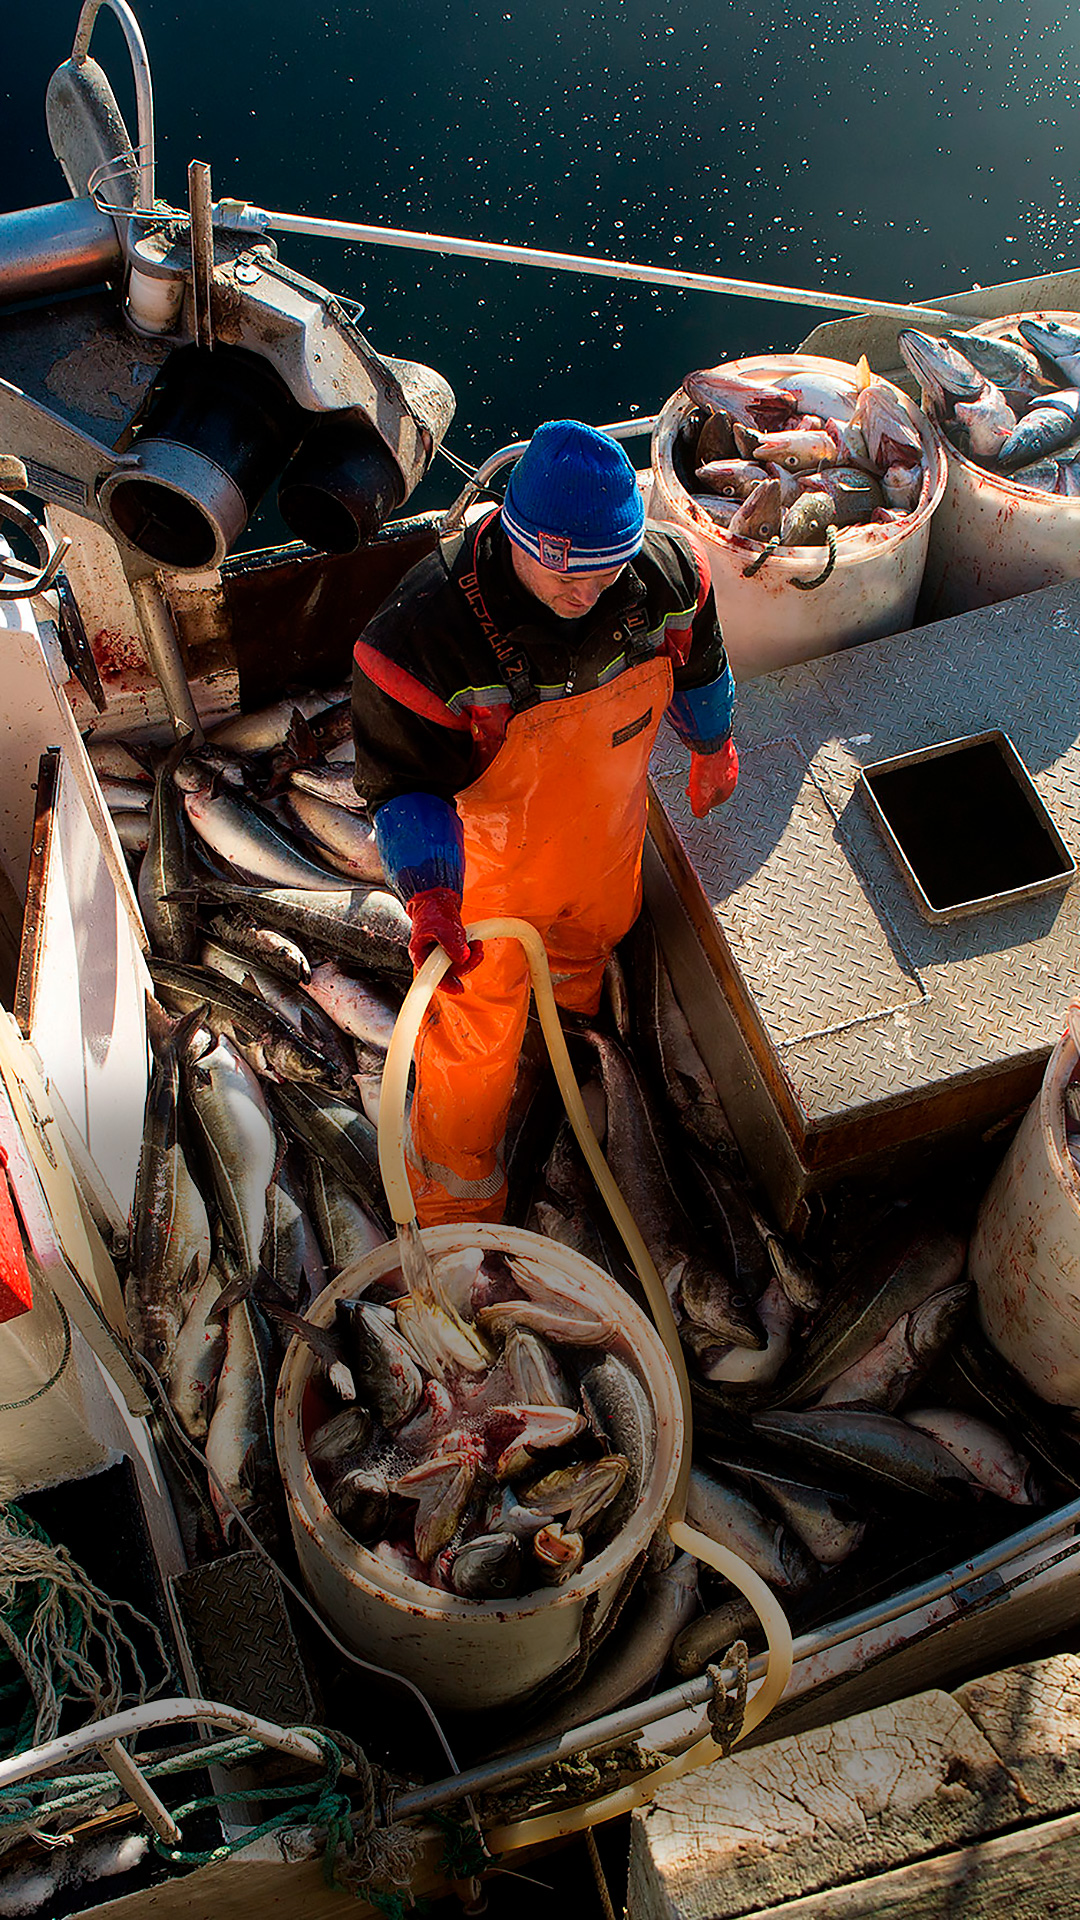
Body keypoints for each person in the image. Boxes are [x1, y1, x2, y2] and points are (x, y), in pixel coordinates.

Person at [351, 419, 738, 1226]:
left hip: (604, 853)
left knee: (589, 952)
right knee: (473, 1040)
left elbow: (701, 658)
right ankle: (456, 1198)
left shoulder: (669, 576)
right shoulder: (422, 634)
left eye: (605, 575)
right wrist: (429, 896)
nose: (584, 594)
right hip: (486, 888)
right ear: (512, 532)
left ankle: (570, 1033)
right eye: (566, 574)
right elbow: (403, 784)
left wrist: (712, 741)